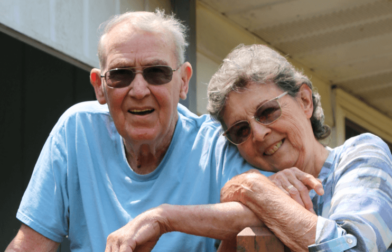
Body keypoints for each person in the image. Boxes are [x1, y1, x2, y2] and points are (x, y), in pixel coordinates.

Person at [5, 11, 273, 252]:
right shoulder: (76, 131)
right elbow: (29, 246)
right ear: (100, 86)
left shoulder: (215, 146)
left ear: (183, 81)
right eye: (121, 74)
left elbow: (273, 210)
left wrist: (164, 217)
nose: (140, 90)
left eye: (157, 72)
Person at [207, 44, 392, 251]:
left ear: (305, 101)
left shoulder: (361, 154)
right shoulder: (252, 198)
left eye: (267, 111)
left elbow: (353, 249)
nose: (258, 134)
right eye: (241, 130)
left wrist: (253, 188)